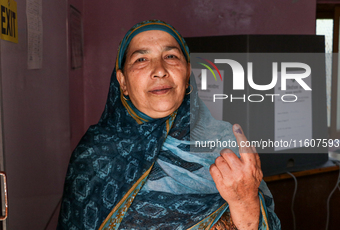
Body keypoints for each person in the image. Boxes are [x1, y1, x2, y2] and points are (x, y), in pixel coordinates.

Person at [57, 20, 281, 230]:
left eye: (171, 56)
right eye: (141, 60)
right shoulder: (94, 155)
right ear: (122, 81)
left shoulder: (226, 144)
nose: (160, 70)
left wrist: (245, 203)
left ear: (187, 74)